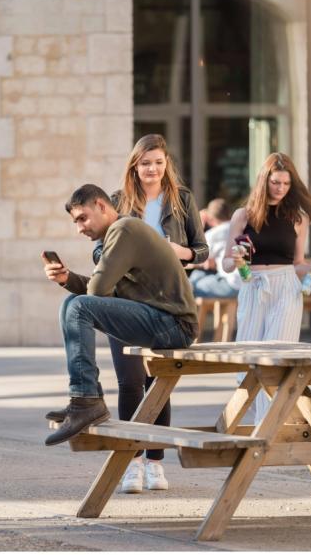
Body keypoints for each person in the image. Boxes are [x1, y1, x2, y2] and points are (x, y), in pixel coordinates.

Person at [41, 185, 197, 467]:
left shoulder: (124, 229)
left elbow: (98, 291)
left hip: (174, 324)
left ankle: (87, 400)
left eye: (82, 218)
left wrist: (91, 282)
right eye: (75, 222)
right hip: (160, 319)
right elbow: (103, 293)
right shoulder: (119, 233)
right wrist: (67, 279)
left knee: (78, 306)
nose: (79, 228)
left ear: (101, 206)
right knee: (71, 303)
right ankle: (84, 399)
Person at [88, 134, 207, 493]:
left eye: (157, 162)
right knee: (129, 381)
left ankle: (155, 462)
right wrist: (122, 257)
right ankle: (132, 462)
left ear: (166, 164)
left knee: (158, 383)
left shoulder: (182, 200)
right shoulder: (117, 201)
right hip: (125, 301)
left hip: (167, 303)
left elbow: (201, 251)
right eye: (145, 163)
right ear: (134, 166)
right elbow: (98, 250)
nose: (152, 169)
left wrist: (176, 251)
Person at [221, 153, 311, 420]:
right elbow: (225, 263)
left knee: (278, 357)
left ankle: (267, 427)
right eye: (275, 182)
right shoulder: (243, 215)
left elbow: (297, 264)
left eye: (286, 184)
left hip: (286, 289)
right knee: (249, 362)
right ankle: (265, 423)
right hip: (253, 286)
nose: (281, 188)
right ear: (264, 181)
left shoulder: (297, 218)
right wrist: (236, 259)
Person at [189, 198, 240, 299]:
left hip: (231, 285)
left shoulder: (213, 234)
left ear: (210, 219)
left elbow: (193, 257)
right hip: (246, 283)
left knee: (190, 287)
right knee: (198, 274)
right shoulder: (239, 228)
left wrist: (198, 225)